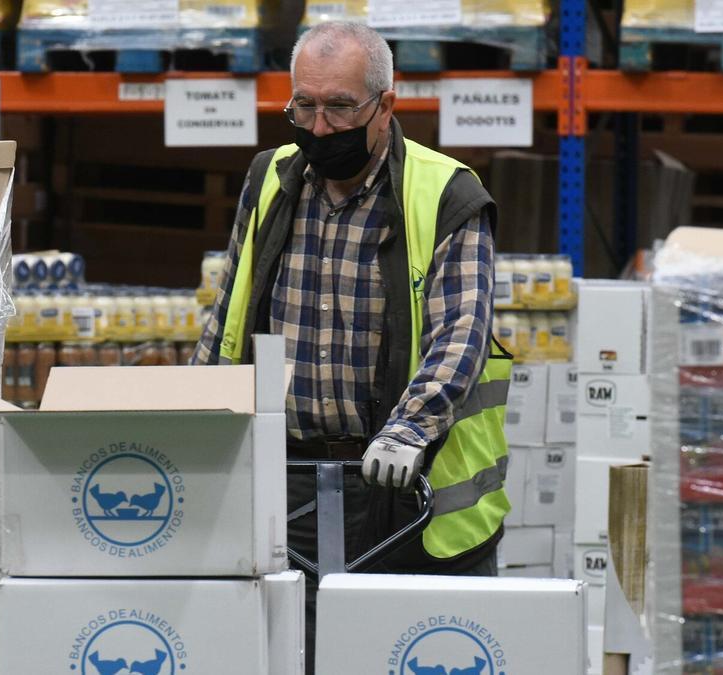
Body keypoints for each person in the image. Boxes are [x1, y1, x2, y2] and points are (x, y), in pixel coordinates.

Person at [191, 20, 512, 668]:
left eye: (339, 107)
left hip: (406, 494)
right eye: (303, 106)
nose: (318, 127)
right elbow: (227, 319)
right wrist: (195, 428)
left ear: (385, 105)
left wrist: (407, 432)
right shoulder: (271, 178)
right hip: (290, 486)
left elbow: (462, 334)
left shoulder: (446, 194)